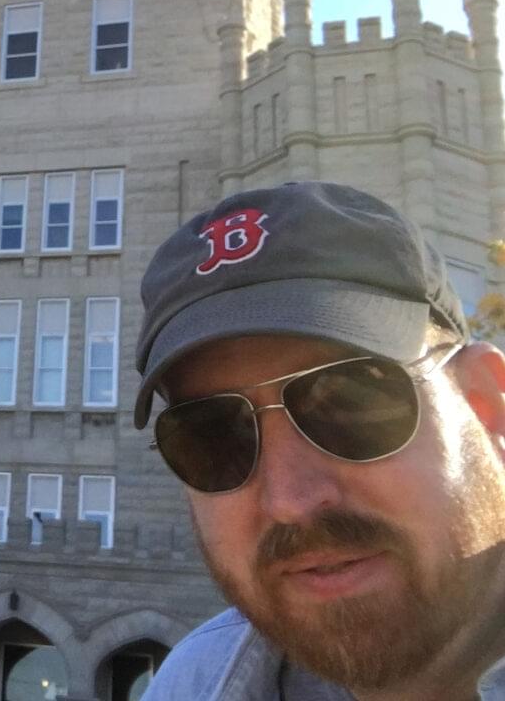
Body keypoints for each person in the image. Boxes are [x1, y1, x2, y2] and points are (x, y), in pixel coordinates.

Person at [133, 181, 505, 700]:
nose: (290, 500)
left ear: (484, 402)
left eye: (351, 402)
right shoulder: (195, 683)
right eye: (213, 434)